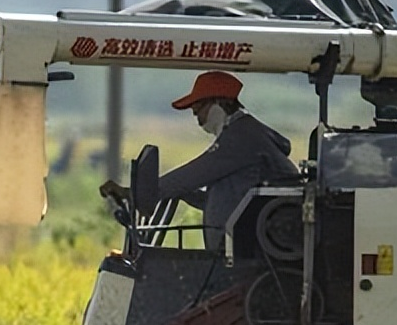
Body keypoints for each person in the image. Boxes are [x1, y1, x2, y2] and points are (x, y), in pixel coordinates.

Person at [100, 71, 298, 250]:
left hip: (246, 249)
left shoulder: (241, 136)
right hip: (249, 241)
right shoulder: (246, 135)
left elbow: (191, 175)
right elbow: (229, 201)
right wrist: (183, 193)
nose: (195, 114)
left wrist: (134, 193)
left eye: (199, 107)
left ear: (219, 102)